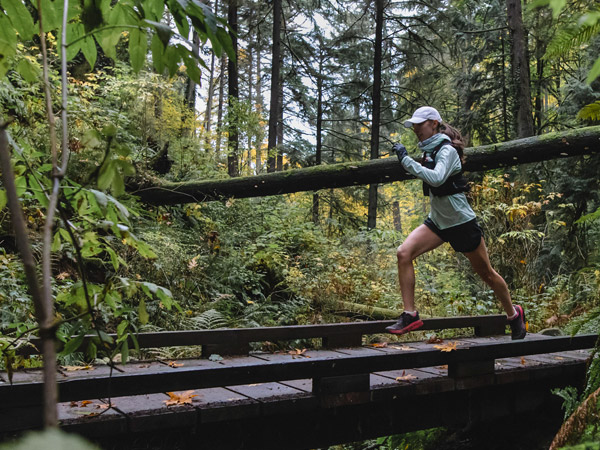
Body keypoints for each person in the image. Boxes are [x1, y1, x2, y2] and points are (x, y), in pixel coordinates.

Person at [385, 106, 526, 340]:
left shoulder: (447, 151)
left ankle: (513, 314)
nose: (416, 129)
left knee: (487, 275)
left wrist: (406, 161)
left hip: (461, 223)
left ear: (434, 123)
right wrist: (409, 160)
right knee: (403, 253)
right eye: (415, 126)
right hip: (438, 223)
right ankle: (410, 314)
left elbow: (438, 178)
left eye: (420, 124)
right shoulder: (428, 151)